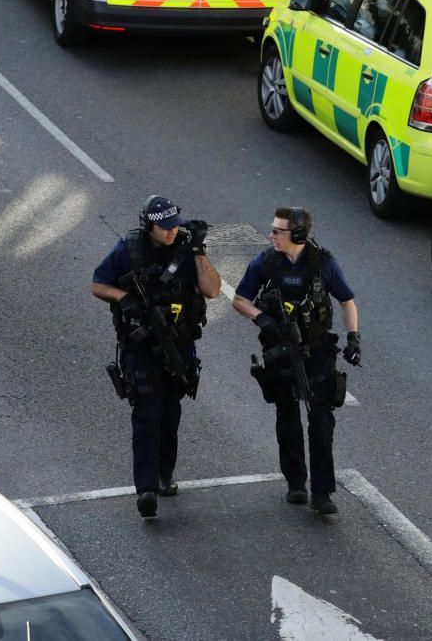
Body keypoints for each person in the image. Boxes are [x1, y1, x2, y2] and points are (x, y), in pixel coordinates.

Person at [91, 195, 221, 519]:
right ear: (149, 226)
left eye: (174, 226)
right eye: (164, 228)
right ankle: (146, 489)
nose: (171, 232)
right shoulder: (129, 250)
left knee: (170, 414)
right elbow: (98, 284)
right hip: (141, 347)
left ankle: (165, 474)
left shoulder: (186, 250)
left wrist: (199, 252)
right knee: (147, 414)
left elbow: (213, 290)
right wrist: (125, 299)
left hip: (179, 346)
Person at [233, 207, 360, 515]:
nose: (272, 235)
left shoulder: (323, 265)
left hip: (317, 350)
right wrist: (262, 319)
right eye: (273, 229)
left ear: (299, 234)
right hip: (280, 350)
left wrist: (354, 337)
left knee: (320, 419)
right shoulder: (265, 262)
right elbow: (239, 299)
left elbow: (347, 301)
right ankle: (296, 484)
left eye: (279, 230)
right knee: (287, 416)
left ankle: (322, 491)